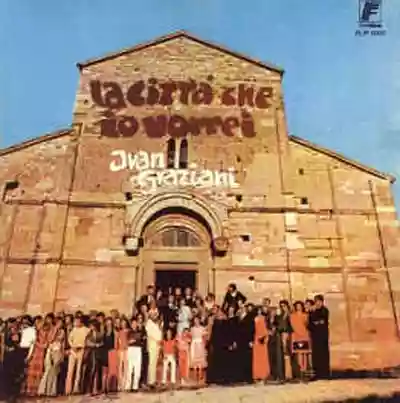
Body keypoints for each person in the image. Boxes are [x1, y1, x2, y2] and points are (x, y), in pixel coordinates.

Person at [38, 317, 65, 396]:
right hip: (50, 350)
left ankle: (52, 391)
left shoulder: (62, 331)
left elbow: (62, 342)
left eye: (61, 323)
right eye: (59, 323)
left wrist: (62, 353)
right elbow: (50, 340)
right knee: (48, 369)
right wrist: (55, 330)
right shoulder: (51, 330)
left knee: (55, 371)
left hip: (58, 350)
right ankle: (43, 390)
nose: (60, 324)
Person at [65, 316, 90, 395]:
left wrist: (82, 347)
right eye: (75, 321)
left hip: (81, 350)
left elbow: (87, 340)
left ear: (81, 322)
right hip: (73, 351)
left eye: (77, 321)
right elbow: (69, 339)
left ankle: (76, 388)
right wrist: (72, 346)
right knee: (70, 370)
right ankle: (68, 389)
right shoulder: (74, 329)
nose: (75, 323)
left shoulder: (87, 330)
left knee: (79, 371)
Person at [309, 295, 330, 379]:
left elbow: (322, 321)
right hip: (315, 336)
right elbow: (310, 323)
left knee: (323, 354)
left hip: (323, 336)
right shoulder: (313, 311)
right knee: (316, 355)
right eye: (316, 301)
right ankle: (317, 373)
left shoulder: (324, 310)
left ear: (322, 302)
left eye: (319, 301)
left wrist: (316, 323)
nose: (317, 303)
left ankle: (325, 373)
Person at [290, 301, 311, 380]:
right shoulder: (292, 316)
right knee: (299, 354)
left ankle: (304, 371)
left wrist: (304, 332)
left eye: (300, 306)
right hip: (297, 336)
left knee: (304, 354)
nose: (298, 307)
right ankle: (300, 370)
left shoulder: (305, 315)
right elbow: (293, 326)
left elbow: (307, 325)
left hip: (304, 336)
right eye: (297, 306)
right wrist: (300, 332)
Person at [252, 306, 269, 382]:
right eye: (257, 310)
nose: (258, 312)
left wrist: (265, 337)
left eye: (260, 310)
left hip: (263, 338)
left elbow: (265, 329)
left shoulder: (264, 318)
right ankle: (256, 375)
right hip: (256, 339)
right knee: (256, 358)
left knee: (263, 357)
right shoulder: (254, 319)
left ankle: (263, 375)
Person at [145, 313, 162, 388]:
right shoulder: (149, 323)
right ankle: (150, 381)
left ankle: (153, 380)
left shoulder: (156, 324)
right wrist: (156, 340)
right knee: (151, 363)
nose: (155, 316)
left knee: (154, 363)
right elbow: (149, 334)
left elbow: (159, 334)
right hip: (152, 345)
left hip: (157, 346)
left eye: (156, 315)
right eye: (153, 315)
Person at [190, 316, 207, 385]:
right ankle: (195, 374)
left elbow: (205, 337)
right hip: (194, 345)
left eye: (197, 320)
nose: (196, 321)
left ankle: (200, 374)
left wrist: (204, 344)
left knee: (200, 359)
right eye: (195, 320)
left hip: (200, 345)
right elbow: (190, 337)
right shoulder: (192, 329)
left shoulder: (202, 328)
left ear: (199, 320)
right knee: (194, 359)